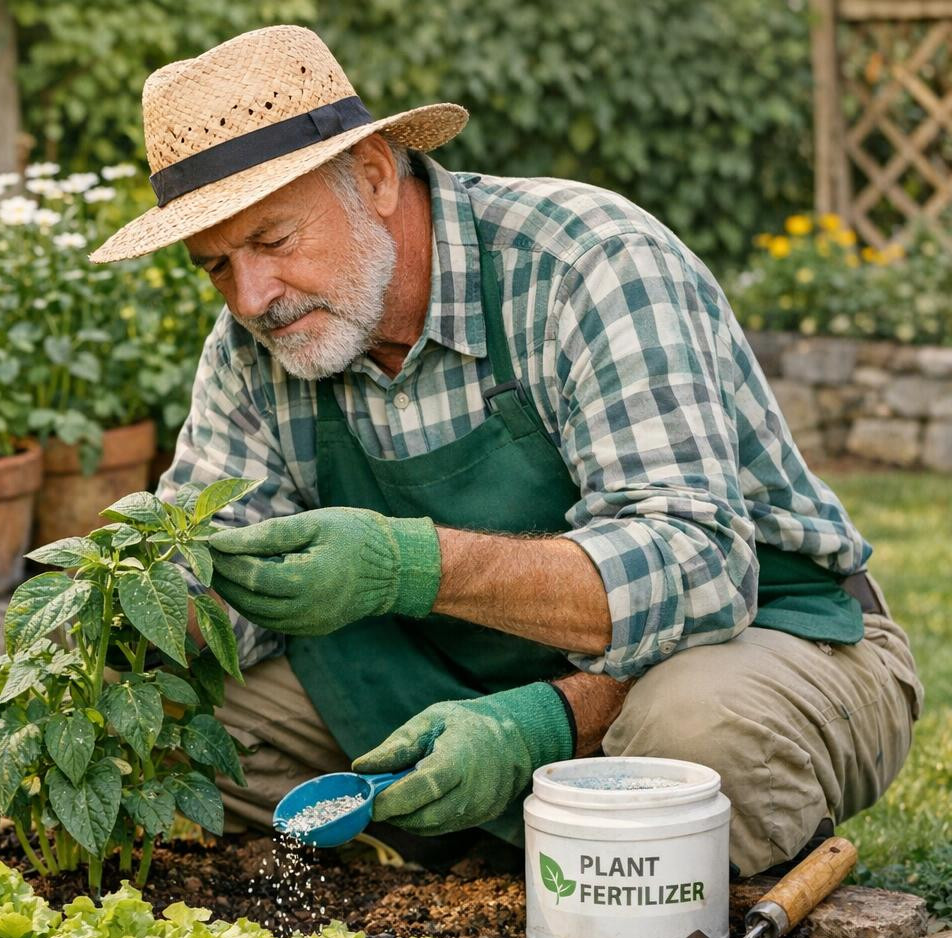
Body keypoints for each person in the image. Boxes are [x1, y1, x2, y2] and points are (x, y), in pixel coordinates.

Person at [89, 25, 921, 876]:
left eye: (272, 241)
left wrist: (409, 572)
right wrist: (127, 610)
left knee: (692, 736)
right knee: (176, 732)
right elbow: (205, 574)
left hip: (764, 633)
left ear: (374, 175)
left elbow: (701, 569)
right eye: (217, 267)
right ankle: (500, 846)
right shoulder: (253, 345)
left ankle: (574, 830)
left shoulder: (588, 263)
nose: (252, 297)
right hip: (461, 673)